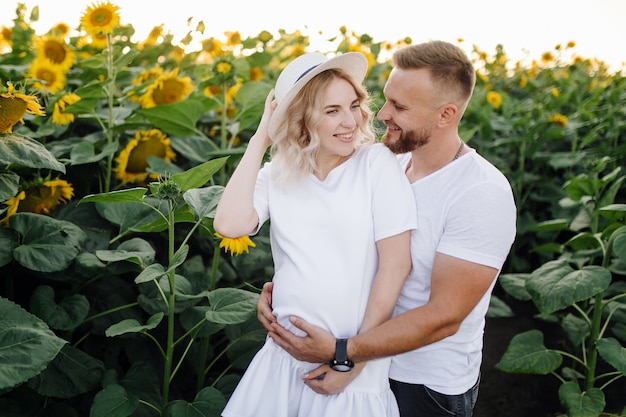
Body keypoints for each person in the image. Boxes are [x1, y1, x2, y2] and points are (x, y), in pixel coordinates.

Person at [256, 40, 517, 417]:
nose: (380, 114)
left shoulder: (480, 193)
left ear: (445, 115)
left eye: (400, 106)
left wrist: (344, 354)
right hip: (354, 366)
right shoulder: (386, 163)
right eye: (385, 99)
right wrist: (286, 295)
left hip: (421, 386)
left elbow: (444, 316)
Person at [214, 51, 418, 417]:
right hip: (283, 361)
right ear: (301, 120)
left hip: (351, 369)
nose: (350, 122)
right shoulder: (278, 175)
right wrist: (262, 136)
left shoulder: (374, 165)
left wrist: (350, 361)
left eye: (353, 105)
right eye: (331, 111)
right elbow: (230, 225)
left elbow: (395, 267)